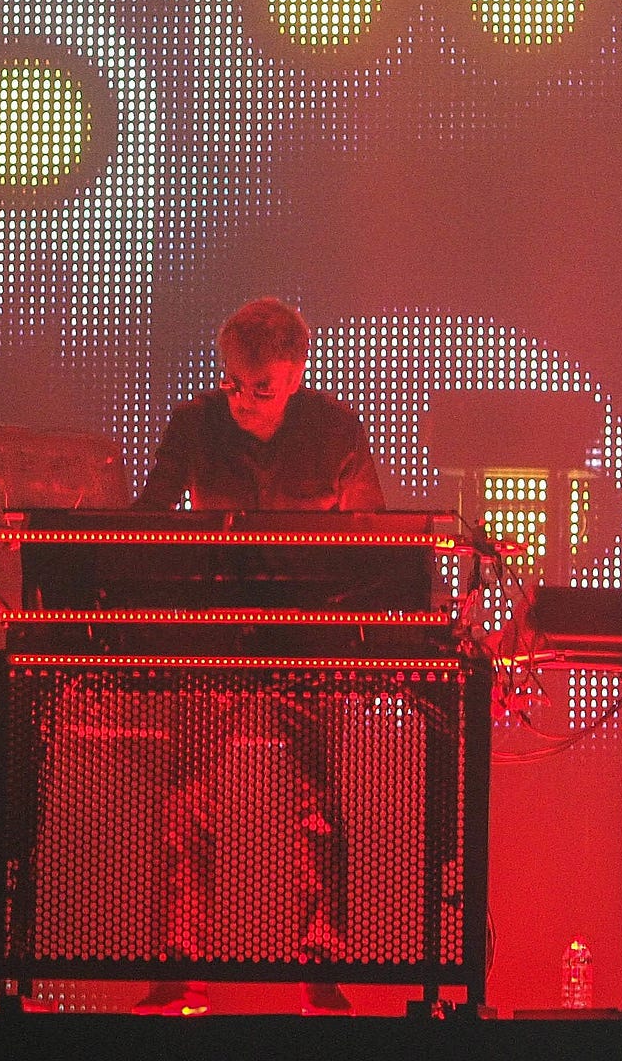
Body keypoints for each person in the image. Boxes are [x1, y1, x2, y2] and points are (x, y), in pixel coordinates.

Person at [131, 298, 383, 1017]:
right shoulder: (194, 425)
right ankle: (182, 965)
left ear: (297, 372)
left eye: (261, 387)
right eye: (234, 383)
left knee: (316, 801)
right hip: (215, 629)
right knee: (186, 796)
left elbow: (374, 535)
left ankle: (318, 967)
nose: (242, 399)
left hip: (306, 633)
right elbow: (145, 521)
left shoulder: (335, 429)